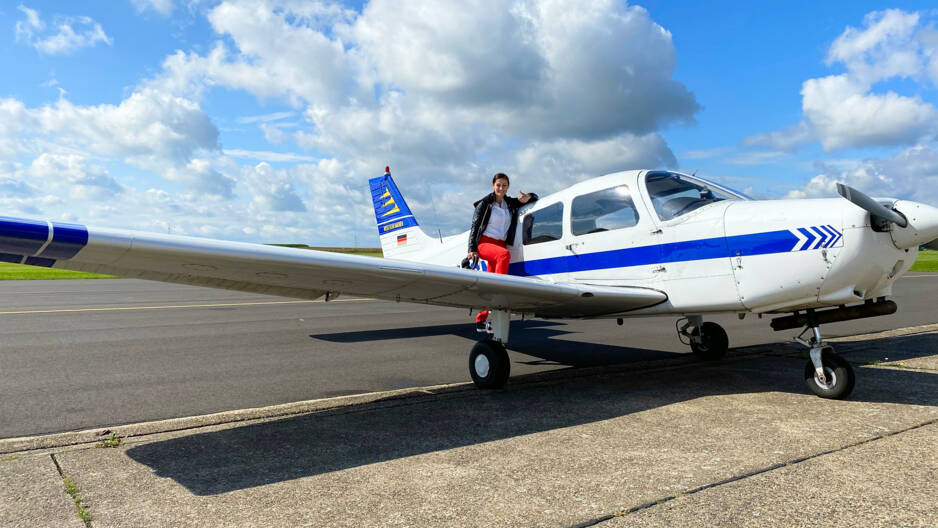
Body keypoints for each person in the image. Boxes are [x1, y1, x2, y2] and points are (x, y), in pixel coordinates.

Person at [467, 172, 537, 331]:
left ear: (508, 187)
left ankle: (481, 321)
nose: (501, 188)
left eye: (504, 185)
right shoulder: (485, 203)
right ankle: (500, 300)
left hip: (500, 244)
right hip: (485, 243)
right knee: (504, 256)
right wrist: (471, 249)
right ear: (493, 185)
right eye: (498, 185)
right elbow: (475, 227)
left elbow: (533, 199)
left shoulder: (509, 203)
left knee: (490, 284)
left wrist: (529, 196)